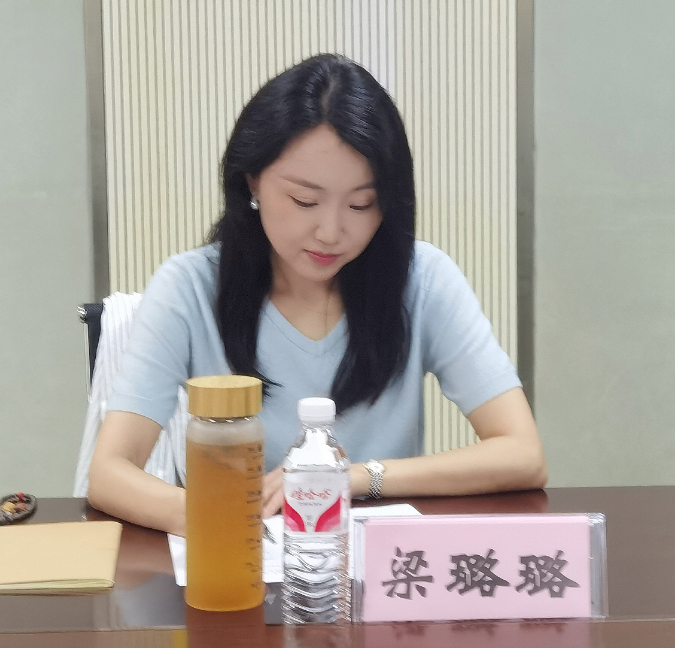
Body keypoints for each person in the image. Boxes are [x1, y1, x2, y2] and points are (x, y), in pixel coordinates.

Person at [87, 53, 546, 537]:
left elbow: (522, 453)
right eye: (304, 200)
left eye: (361, 204)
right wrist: (231, 519)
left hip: (378, 568)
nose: (330, 232)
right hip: (244, 559)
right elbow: (110, 473)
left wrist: (352, 479)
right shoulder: (190, 288)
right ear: (252, 180)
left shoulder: (422, 278)